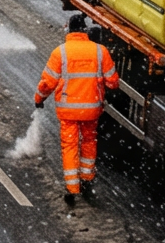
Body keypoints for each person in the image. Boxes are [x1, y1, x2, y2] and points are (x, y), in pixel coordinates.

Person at [36, 13, 115, 206]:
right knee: (89, 140)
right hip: (92, 109)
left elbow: (47, 83)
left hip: (68, 110)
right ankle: (87, 178)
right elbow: (113, 82)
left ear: (69, 30)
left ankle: (72, 189)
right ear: (85, 30)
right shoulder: (100, 51)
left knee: (70, 145)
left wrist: (39, 99)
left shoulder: (60, 53)